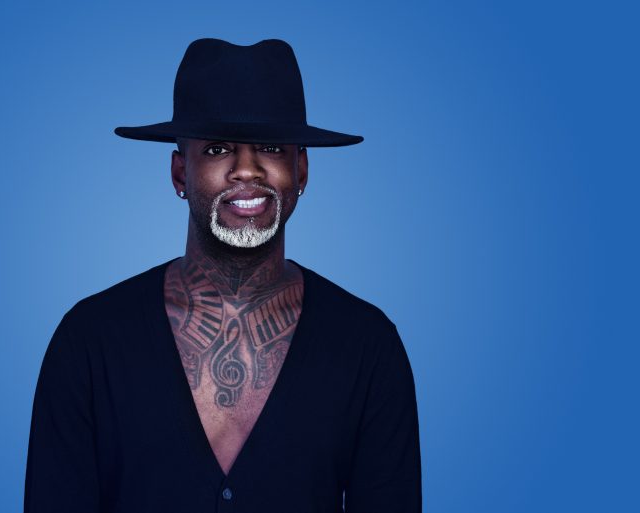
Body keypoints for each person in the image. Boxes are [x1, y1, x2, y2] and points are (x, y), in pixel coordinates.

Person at [24, 38, 421, 513]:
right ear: (180, 174)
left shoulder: (368, 346)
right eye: (217, 149)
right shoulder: (90, 341)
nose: (246, 171)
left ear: (301, 170)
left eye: (270, 148)